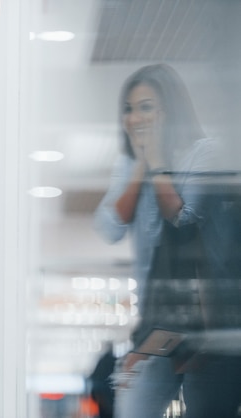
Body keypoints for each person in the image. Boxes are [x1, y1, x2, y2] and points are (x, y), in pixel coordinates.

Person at [94, 63, 241, 417]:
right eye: (129, 109)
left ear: (169, 111)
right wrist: (141, 166)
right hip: (156, 325)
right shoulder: (129, 165)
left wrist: (158, 161)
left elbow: (183, 218)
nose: (135, 118)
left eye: (146, 107)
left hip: (207, 328)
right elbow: (110, 226)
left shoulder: (204, 152)